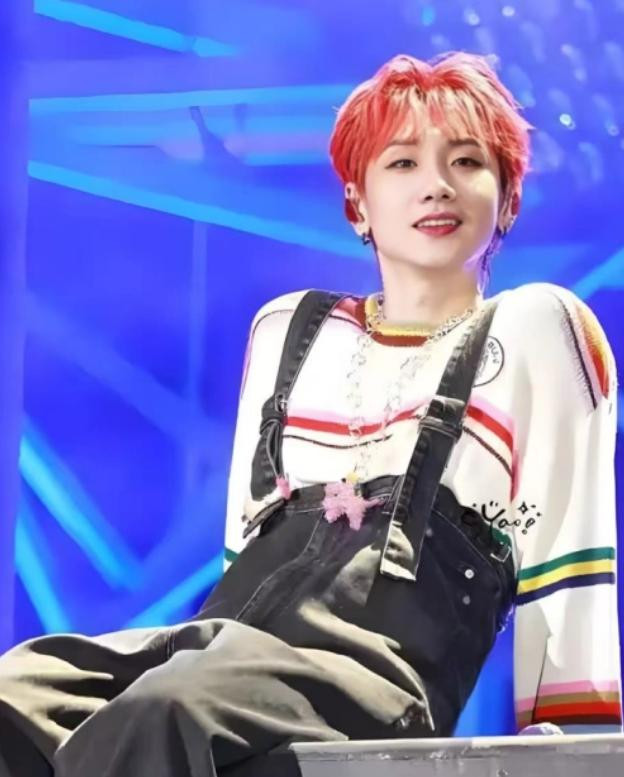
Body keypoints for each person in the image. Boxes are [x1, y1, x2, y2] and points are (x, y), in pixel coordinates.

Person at [0, 51, 621, 777]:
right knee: (19, 691)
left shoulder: (536, 328)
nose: (437, 185)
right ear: (357, 203)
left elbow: (570, 560)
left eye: (466, 161)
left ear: (508, 199)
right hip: (225, 653)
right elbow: (242, 554)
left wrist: (576, 744)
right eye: (403, 163)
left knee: (167, 708)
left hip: (373, 675)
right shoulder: (288, 331)